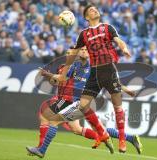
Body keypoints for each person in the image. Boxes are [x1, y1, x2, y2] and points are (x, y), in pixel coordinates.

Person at [26, 47, 142, 158]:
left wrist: (127, 90)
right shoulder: (72, 66)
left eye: (85, 50)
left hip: (77, 102)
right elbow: (60, 79)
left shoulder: (94, 68)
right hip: (68, 101)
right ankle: (130, 138)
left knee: (53, 121)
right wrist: (48, 75)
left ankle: (41, 150)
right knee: (78, 129)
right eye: (81, 50)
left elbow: (111, 81)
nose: (82, 52)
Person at [50, 5, 132, 153]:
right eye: (91, 10)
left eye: (95, 9)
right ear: (87, 17)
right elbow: (73, 53)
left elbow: (118, 41)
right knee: (82, 105)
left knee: (117, 106)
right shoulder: (84, 34)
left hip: (108, 69)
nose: (95, 10)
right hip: (94, 73)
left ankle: (121, 139)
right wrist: (64, 72)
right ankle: (103, 134)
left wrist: (124, 48)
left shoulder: (107, 28)